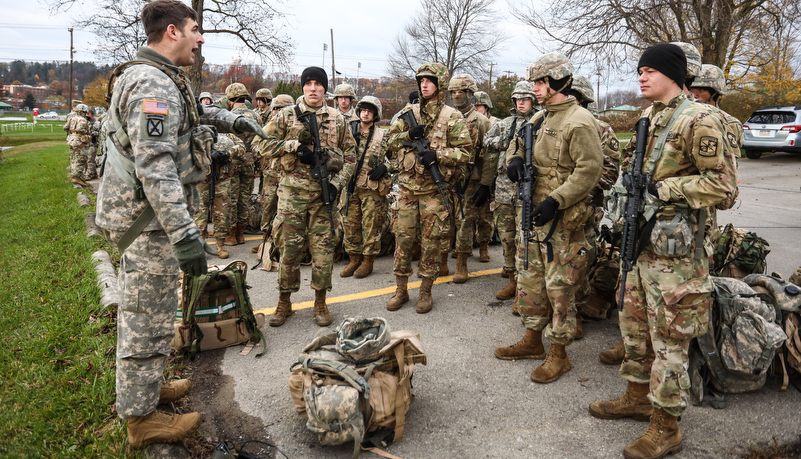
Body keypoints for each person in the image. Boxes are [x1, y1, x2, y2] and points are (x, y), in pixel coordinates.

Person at [94, 0, 266, 449]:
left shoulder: (165, 77)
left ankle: (146, 391)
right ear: (173, 31)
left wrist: (233, 119)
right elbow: (156, 168)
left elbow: (192, 116)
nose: (201, 36)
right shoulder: (153, 84)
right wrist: (186, 235)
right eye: (195, 29)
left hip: (148, 220)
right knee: (146, 319)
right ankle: (140, 419)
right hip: (148, 224)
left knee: (152, 313)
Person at [588, 43, 737, 459]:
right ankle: (636, 397)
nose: (641, 76)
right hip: (641, 246)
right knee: (634, 329)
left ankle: (666, 426)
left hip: (676, 256)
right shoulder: (648, 119)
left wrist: (664, 189)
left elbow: (724, 189)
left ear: (675, 74)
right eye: (640, 70)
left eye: (650, 70)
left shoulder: (700, 118)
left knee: (670, 340)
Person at [497, 52, 602, 384]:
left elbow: (589, 171)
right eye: (535, 82)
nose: (535, 88)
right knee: (530, 281)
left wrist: (557, 200)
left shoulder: (579, 120)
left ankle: (559, 353)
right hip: (533, 214)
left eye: (541, 82)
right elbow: (516, 144)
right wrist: (514, 161)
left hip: (562, 220)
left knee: (560, 287)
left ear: (559, 81)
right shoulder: (538, 119)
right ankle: (532, 340)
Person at [259, 67, 356, 327]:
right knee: (288, 251)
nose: (313, 88)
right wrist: (293, 146)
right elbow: (261, 144)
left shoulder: (338, 119)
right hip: (292, 197)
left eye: (318, 84)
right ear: (302, 87)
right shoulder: (286, 116)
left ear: (325, 89)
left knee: (323, 252)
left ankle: (320, 301)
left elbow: (351, 157)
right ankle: (284, 301)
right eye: (308, 83)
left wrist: (337, 184)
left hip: (324, 198)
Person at [385, 62, 471, 313]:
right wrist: (408, 136)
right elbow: (388, 144)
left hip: (435, 190)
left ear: (440, 84)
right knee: (403, 240)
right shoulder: (407, 112)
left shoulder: (452, 117)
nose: (424, 84)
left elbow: (465, 152)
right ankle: (401, 290)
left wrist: (439, 155)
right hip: (408, 191)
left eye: (429, 80)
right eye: (421, 80)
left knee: (432, 243)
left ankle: (425, 290)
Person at [567, 75, 621, 339]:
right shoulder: (550, 124)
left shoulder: (602, 130)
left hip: (585, 208)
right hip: (554, 207)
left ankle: (576, 311)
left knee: (580, 259)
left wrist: (576, 183)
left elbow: (610, 175)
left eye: (575, 97)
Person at [483, 81, 538, 306]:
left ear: (533, 100)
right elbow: (486, 140)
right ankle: (513, 280)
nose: (521, 102)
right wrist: (505, 142)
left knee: (525, 238)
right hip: (504, 186)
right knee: (506, 236)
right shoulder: (506, 124)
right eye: (518, 99)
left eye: (525, 98)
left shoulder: (541, 121)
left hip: (528, 188)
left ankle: (524, 290)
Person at [339, 96, 391, 279]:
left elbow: (398, 159)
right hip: (350, 186)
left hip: (371, 188)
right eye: (363, 110)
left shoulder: (383, 135)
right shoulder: (347, 132)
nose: (366, 113)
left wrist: (386, 167)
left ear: (376, 114)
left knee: (372, 226)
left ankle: (368, 261)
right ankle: (354, 259)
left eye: (370, 110)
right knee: (350, 224)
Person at [449, 73, 492, 283]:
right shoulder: (446, 116)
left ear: (470, 94)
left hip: (471, 180)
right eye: (454, 92)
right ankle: (440, 260)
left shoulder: (482, 121)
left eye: (461, 92)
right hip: (448, 178)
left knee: (466, 221)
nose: (457, 96)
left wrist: (486, 184)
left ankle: (462, 263)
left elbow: (490, 156)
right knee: (446, 221)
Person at [252, 94, 295, 257]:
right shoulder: (269, 127)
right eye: (275, 108)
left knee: (287, 210)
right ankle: (266, 240)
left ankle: (282, 242)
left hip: (290, 176)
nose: (277, 112)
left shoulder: (295, 127)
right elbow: (256, 145)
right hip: (270, 175)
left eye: (281, 109)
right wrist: (266, 151)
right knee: (268, 206)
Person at [224, 83, 263, 247]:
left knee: (232, 198)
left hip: (232, 161)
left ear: (230, 98)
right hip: (249, 160)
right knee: (244, 199)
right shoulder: (255, 116)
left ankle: (232, 235)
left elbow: (224, 141)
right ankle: (240, 233)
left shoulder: (227, 116)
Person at [193, 133, 244, 259]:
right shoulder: (197, 133)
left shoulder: (230, 135)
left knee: (223, 213)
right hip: (201, 179)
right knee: (199, 214)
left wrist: (227, 153)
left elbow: (242, 147)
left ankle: (220, 246)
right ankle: (199, 246)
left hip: (223, 179)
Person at [64, 103, 92, 186]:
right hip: (79, 141)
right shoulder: (83, 120)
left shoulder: (72, 118)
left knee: (73, 158)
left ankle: (76, 175)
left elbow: (65, 127)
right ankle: (75, 176)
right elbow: (81, 129)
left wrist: (72, 132)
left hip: (71, 140)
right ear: (84, 111)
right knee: (81, 159)